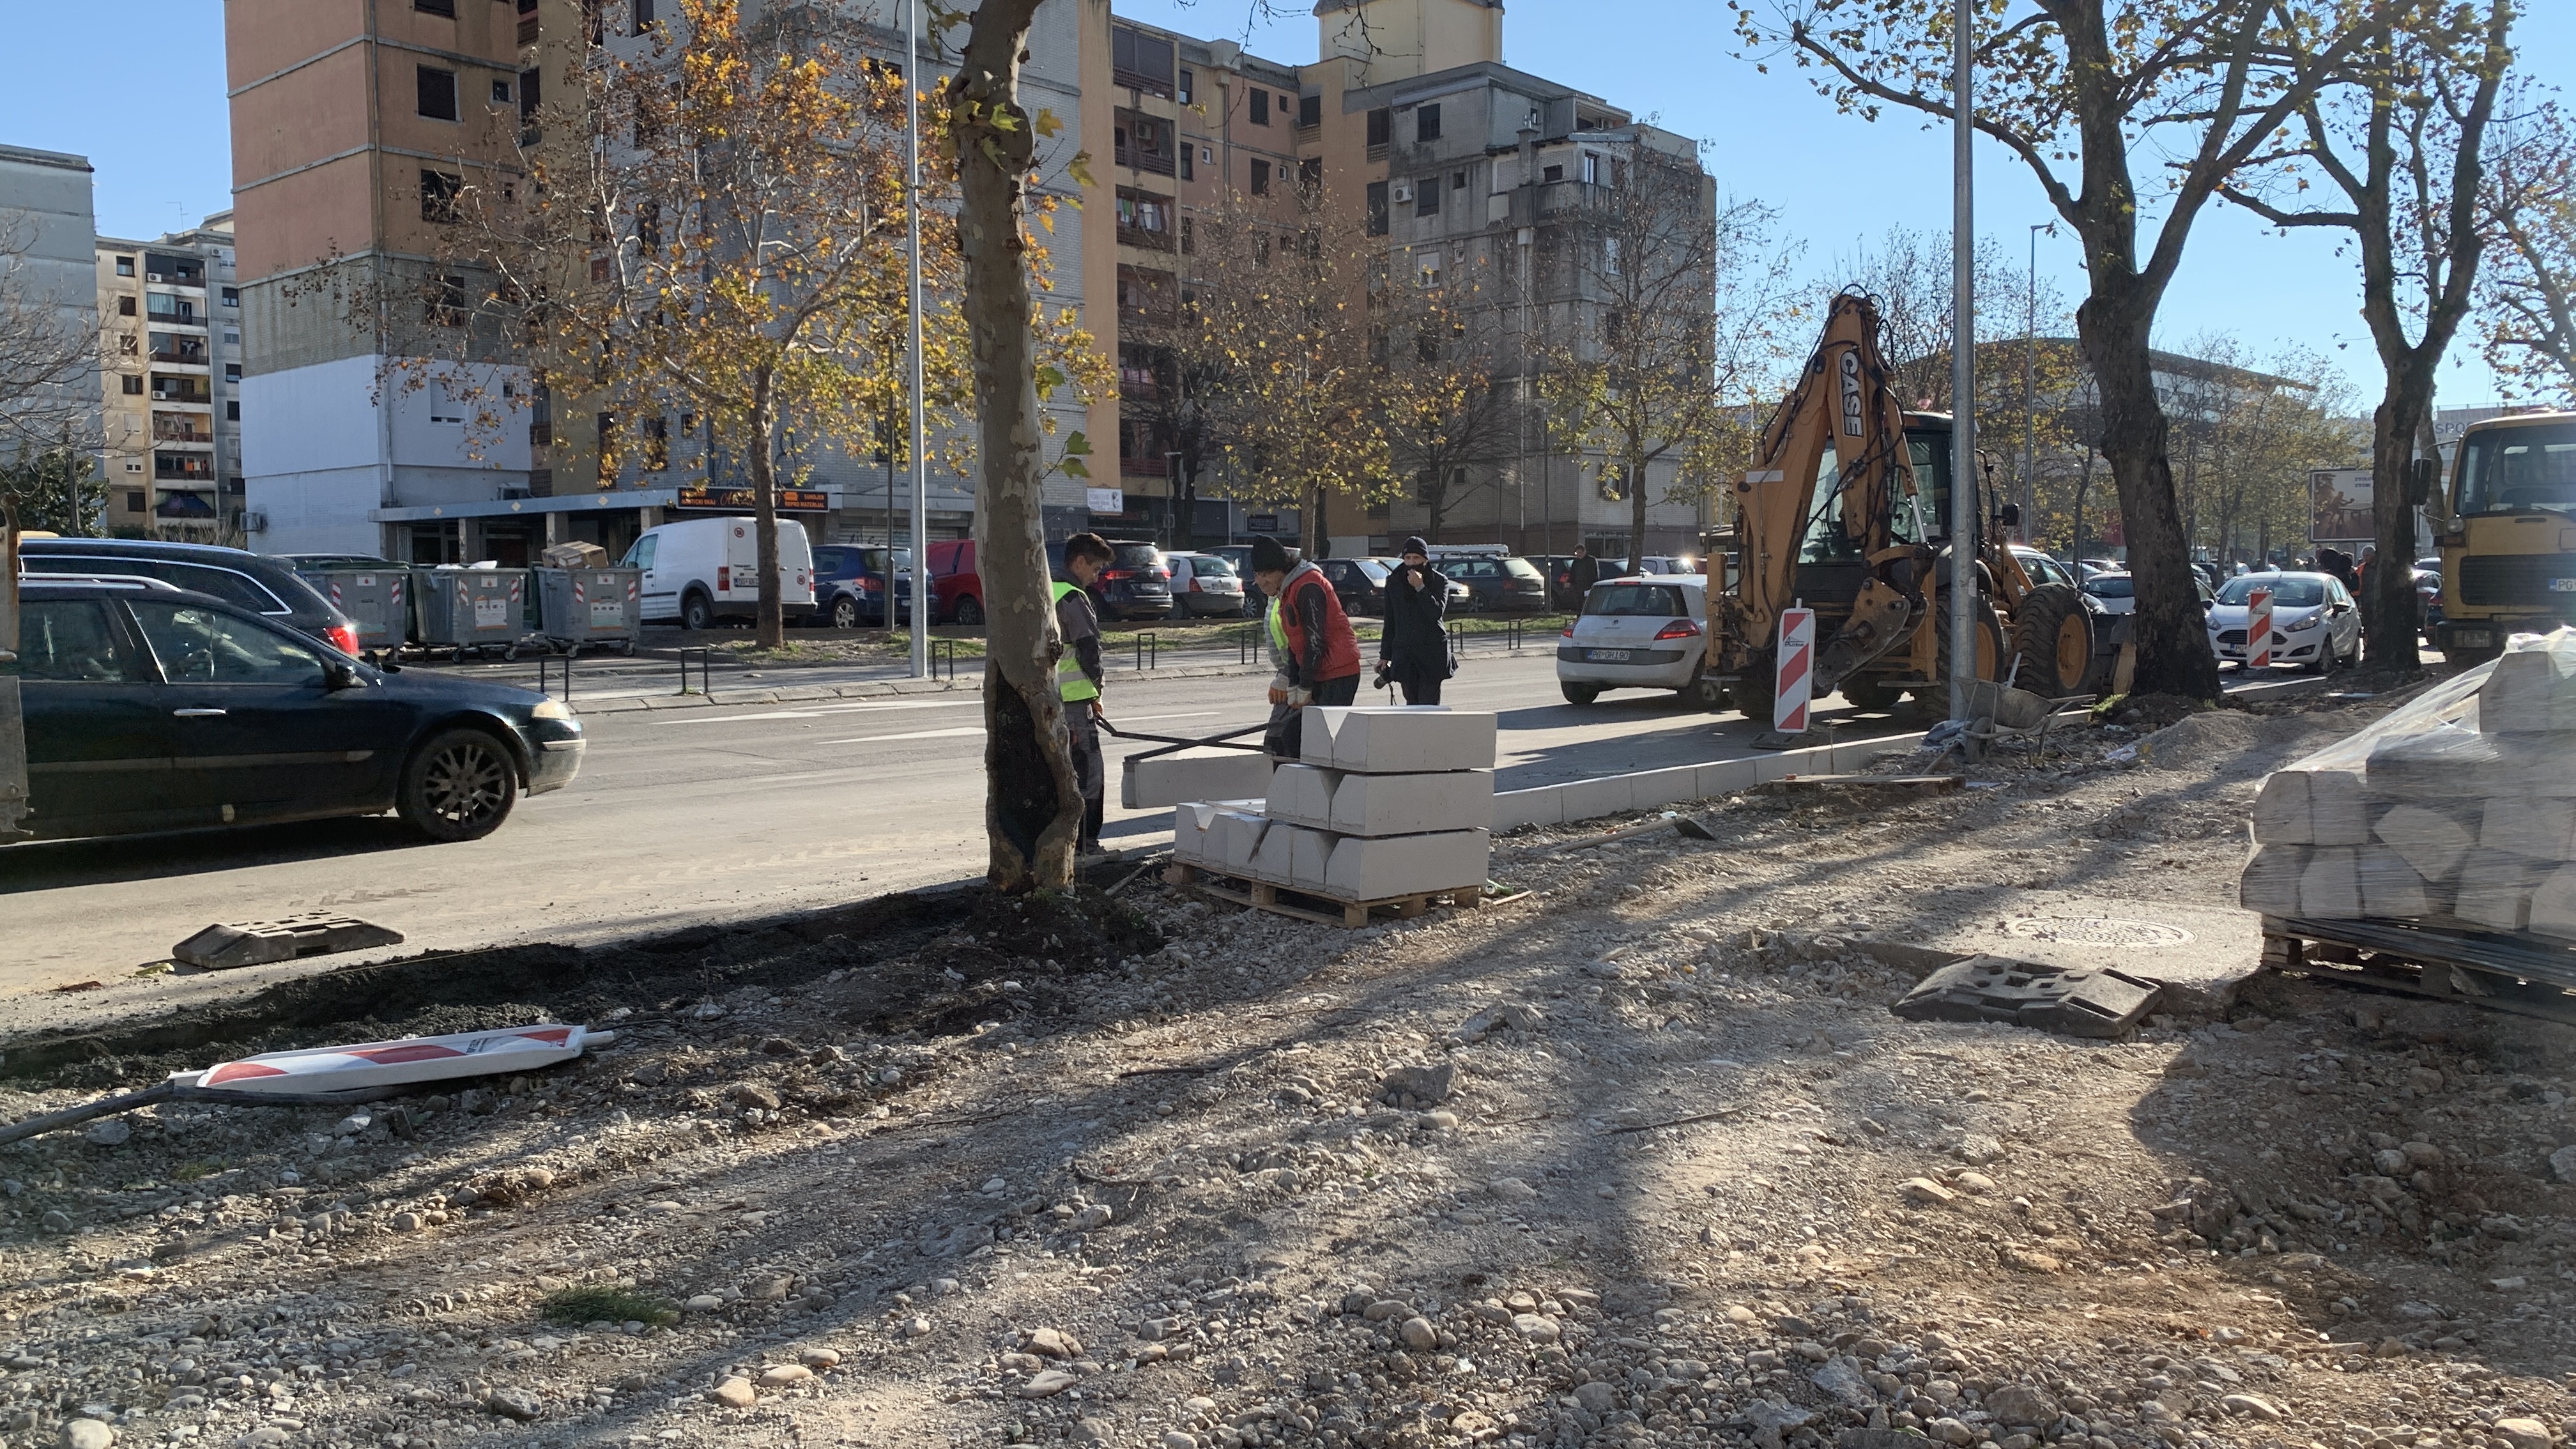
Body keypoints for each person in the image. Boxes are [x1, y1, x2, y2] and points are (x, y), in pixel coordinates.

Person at [1252, 535, 1363, 760]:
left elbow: (1315, 640)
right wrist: (1294, 683)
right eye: (1257, 575)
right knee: (1295, 736)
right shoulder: (1288, 590)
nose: (1260, 582)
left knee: (1310, 738)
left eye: (1265, 575)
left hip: (1337, 673)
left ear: (1281, 570)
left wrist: (1304, 686)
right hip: (1320, 672)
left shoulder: (1308, 585)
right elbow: (1296, 643)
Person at [1055, 532, 1112, 855]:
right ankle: (1086, 843)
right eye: (1096, 569)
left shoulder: (1045, 589)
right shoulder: (1073, 597)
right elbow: (1089, 649)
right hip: (1075, 702)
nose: (1097, 576)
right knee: (1089, 772)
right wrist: (1097, 689)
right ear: (1079, 563)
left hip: (1049, 700)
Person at [1377, 535, 1452, 705]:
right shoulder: (1394, 581)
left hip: (1431, 654)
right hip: (1405, 652)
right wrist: (1385, 655)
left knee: (1428, 705)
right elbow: (1390, 621)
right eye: (1408, 558)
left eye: (1416, 558)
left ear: (1425, 559)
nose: (1411, 562)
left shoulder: (1439, 581)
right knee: (1411, 704)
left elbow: (1436, 612)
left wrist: (1420, 587)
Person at [1567, 542, 1601, 607]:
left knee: (1587, 604)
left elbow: (1595, 574)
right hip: (1578, 588)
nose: (1578, 555)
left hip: (1588, 587)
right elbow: (1572, 573)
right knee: (1579, 604)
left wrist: (1593, 584)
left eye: (1580, 553)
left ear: (1584, 552)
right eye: (1577, 553)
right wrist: (1570, 582)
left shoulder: (1591, 560)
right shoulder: (1576, 562)